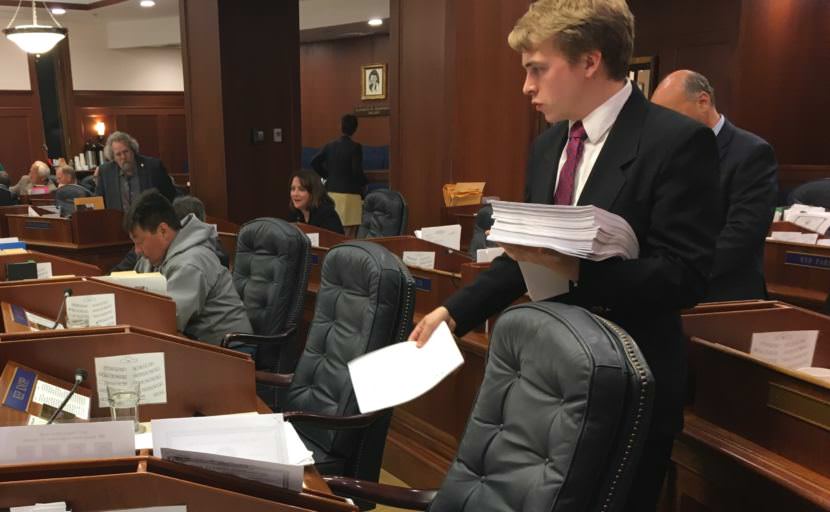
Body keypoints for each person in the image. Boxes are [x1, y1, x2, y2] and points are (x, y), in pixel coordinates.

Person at [409, 1, 720, 510]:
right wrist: (455, 311)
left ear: (589, 61)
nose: (526, 87)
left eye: (537, 69)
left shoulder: (676, 142)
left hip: (629, 376)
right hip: (550, 374)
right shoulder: (549, 144)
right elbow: (528, 255)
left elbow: (685, 277)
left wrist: (576, 274)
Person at [652, 70, 778, 301]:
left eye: (670, 114)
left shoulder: (752, 153)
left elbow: (742, 234)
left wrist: (686, 271)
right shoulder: (666, 152)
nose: (664, 124)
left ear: (703, 101)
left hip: (724, 294)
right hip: (670, 288)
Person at [126, 190, 252, 345]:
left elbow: (165, 323)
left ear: (163, 231)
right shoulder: (156, 256)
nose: (137, 250)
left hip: (232, 351)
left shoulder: (191, 262)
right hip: (200, 346)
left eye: (139, 242)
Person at [311, 114, 366, 231]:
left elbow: (314, 162)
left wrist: (327, 175)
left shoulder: (329, 146)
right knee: (348, 233)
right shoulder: (355, 147)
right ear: (355, 129)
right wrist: (365, 183)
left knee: (331, 230)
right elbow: (356, 171)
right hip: (350, 194)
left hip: (331, 192)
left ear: (340, 126)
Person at [97, 131, 176, 211]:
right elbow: (99, 203)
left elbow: (170, 195)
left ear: (133, 150)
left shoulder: (153, 167)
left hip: (149, 221)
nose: (123, 157)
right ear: (113, 157)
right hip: (117, 221)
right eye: (118, 154)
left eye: (126, 152)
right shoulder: (105, 172)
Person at [288, 169, 345, 234]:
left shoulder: (327, 214)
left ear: (313, 192)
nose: (295, 194)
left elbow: (336, 241)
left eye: (301, 189)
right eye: (293, 189)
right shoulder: (295, 214)